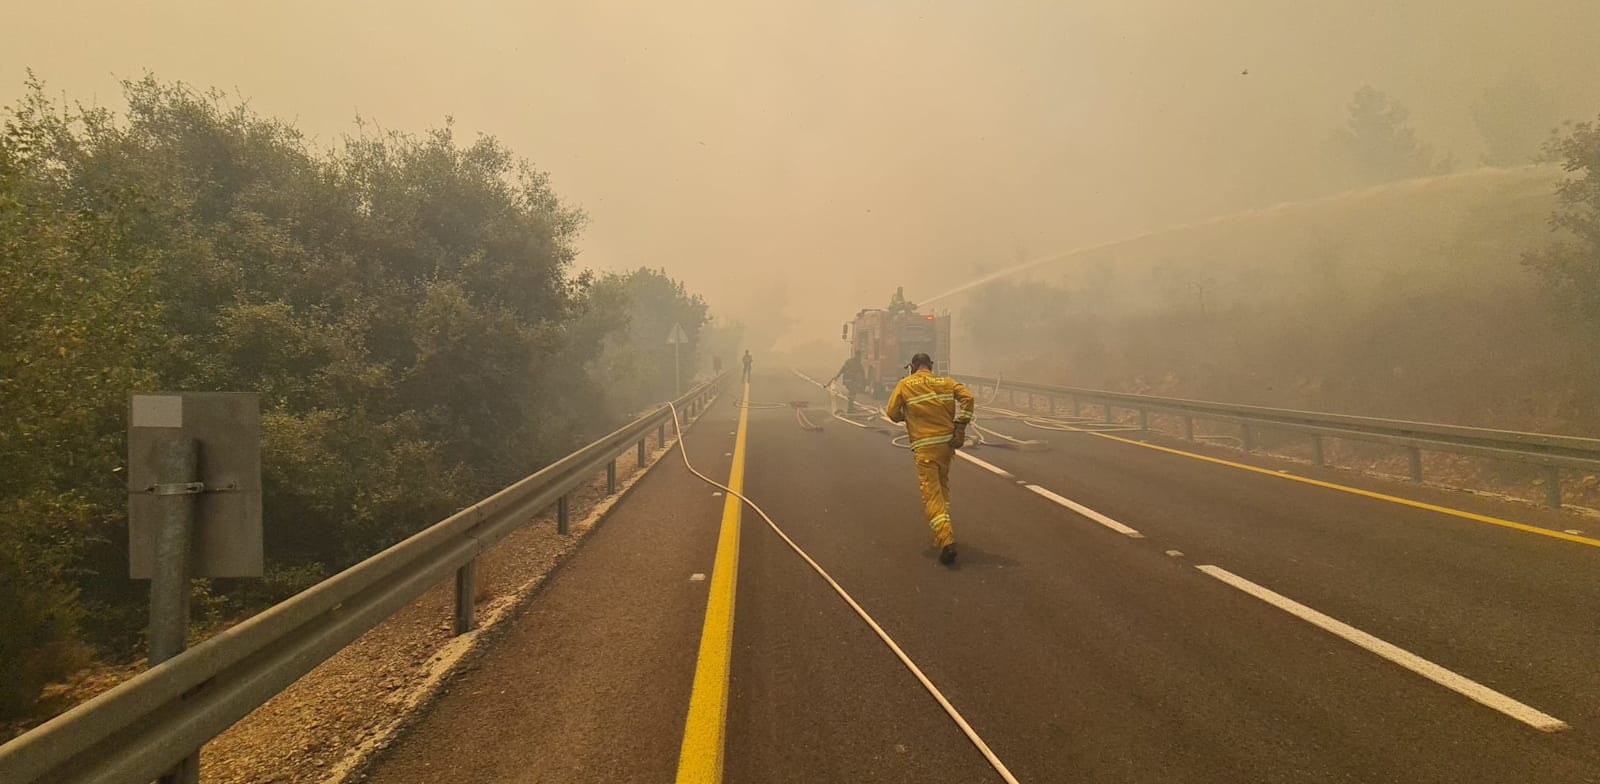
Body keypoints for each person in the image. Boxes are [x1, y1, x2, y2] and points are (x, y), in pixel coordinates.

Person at [885, 353, 974, 566]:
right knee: (942, 489)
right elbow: (968, 398)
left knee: (931, 494)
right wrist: (960, 425)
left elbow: (892, 412)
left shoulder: (905, 384)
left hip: (925, 448)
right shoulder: (945, 381)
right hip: (946, 447)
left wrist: (908, 416)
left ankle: (946, 541)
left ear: (913, 367)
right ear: (930, 366)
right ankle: (941, 532)